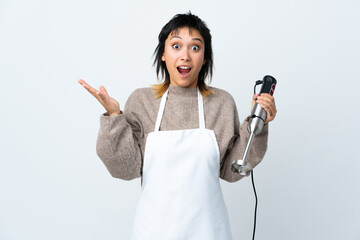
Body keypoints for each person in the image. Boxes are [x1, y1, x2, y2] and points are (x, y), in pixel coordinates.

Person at [78, 12, 277, 240]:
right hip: (153, 232)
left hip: (209, 232)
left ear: (205, 57)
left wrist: (257, 125)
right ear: (163, 54)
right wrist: (114, 116)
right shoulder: (142, 101)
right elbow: (125, 169)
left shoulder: (221, 103)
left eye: (195, 48)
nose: (185, 56)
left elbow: (232, 171)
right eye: (176, 46)